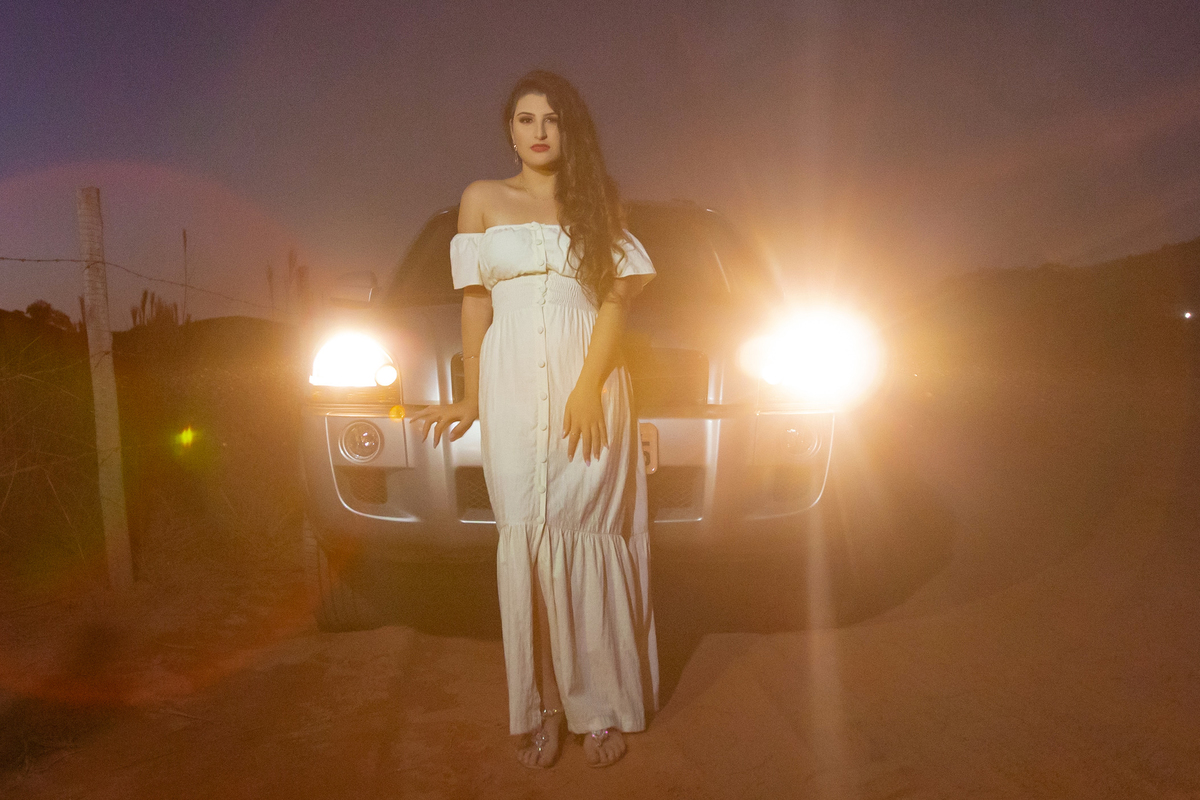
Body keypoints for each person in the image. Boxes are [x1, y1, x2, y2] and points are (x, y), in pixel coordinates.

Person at [409, 69, 658, 768]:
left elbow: (616, 301)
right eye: (526, 119)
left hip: (592, 386)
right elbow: (476, 302)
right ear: (510, 131)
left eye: (553, 119)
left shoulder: (597, 201)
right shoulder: (482, 199)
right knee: (526, 534)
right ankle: (543, 704)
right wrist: (470, 396)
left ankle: (599, 707)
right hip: (511, 387)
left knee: (585, 530)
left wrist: (587, 388)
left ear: (570, 130)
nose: (540, 131)